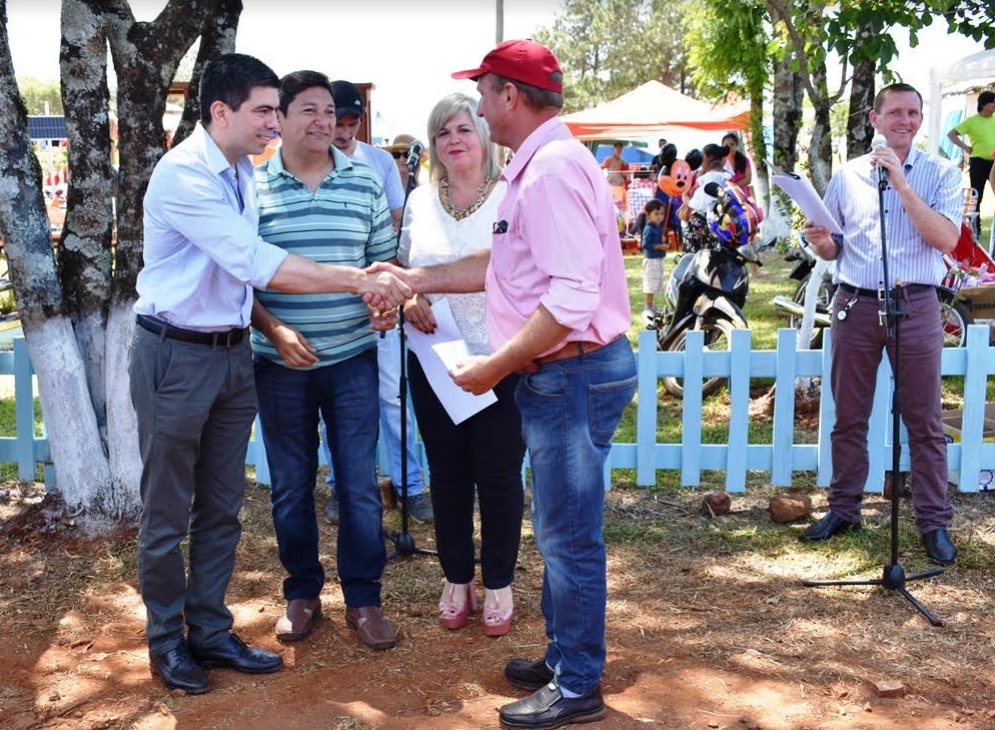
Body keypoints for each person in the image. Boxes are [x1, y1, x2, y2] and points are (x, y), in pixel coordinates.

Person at [374, 38, 637, 729]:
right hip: (566, 372)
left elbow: (571, 297)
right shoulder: (542, 163)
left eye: (484, 94)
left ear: (510, 96)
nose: (479, 108)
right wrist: (421, 278)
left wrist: (492, 367)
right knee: (559, 531)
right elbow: (509, 260)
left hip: (570, 372)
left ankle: (577, 682)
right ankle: (563, 656)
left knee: (568, 535)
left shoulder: (547, 170)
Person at [131, 53, 409, 695]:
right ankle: (167, 643)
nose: (271, 123)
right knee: (169, 511)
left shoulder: (237, 174)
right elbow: (256, 262)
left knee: (223, 507)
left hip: (232, 355)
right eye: (263, 111)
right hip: (177, 353)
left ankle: (209, 631)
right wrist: (358, 280)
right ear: (220, 112)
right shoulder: (186, 176)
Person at [251, 70, 401, 650]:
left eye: (330, 111)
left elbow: (382, 267)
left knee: (359, 484)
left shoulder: (364, 182)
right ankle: (302, 592)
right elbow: (241, 280)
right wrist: (276, 327)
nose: (321, 121)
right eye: (307, 110)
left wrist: (386, 305)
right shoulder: (253, 187)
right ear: (281, 118)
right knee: (290, 485)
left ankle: (364, 598)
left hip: (352, 360)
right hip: (278, 363)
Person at [800, 82, 960, 567]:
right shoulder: (848, 176)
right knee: (848, 415)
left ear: (920, 120)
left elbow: (946, 240)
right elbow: (835, 246)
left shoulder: (942, 174)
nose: (904, 121)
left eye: (913, 113)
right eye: (895, 112)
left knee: (924, 421)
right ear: (875, 119)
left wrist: (903, 184)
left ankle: (933, 522)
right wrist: (821, 241)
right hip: (855, 303)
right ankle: (844, 509)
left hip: (916, 305)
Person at [396, 92, 526, 637]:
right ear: (433, 145)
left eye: (464, 130)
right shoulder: (419, 202)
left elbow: (523, 272)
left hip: (501, 358)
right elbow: (404, 274)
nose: (454, 140)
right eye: (443, 132)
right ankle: (455, 578)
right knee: (446, 475)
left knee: (498, 476)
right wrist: (407, 300)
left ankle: (498, 580)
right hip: (434, 361)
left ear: (484, 137)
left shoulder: (512, 196)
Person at [321, 80, 433, 526]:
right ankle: (341, 485)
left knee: (390, 395)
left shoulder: (381, 163)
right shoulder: (311, 164)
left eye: (352, 123)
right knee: (333, 401)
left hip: (376, 294)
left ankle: (411, 485)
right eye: (338, 123)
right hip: (330, 300)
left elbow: (393, 222)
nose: (344, 132)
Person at [946, 89, 995, 237]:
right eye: (992, 102)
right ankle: (975, 228)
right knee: (976, 196)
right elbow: (951, 134)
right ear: (983, 104)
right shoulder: (971, 121)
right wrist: (966, 147)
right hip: (978, 162)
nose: (994, 105)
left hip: (994, 162)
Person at [640, 199, 668, 318]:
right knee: (650, 284)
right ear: (648, 214)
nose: (659, 217)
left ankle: (652, 306)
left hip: (658, 260)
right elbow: (645, 244)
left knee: (656, 282)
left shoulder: (658, 227)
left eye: (661, 214)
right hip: (651, 261)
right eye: (656, 214)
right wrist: (660, 246)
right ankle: (648, 306)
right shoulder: (649, 229)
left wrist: (662, 239)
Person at [722, 131, 754, 199]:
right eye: (726, 146)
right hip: (727, 198)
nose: (729, 147)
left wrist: (732, 188)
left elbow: (748, 179)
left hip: (743, 197)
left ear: (736, 145)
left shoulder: (745, 160)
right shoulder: (720, 163)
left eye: (732, 144)